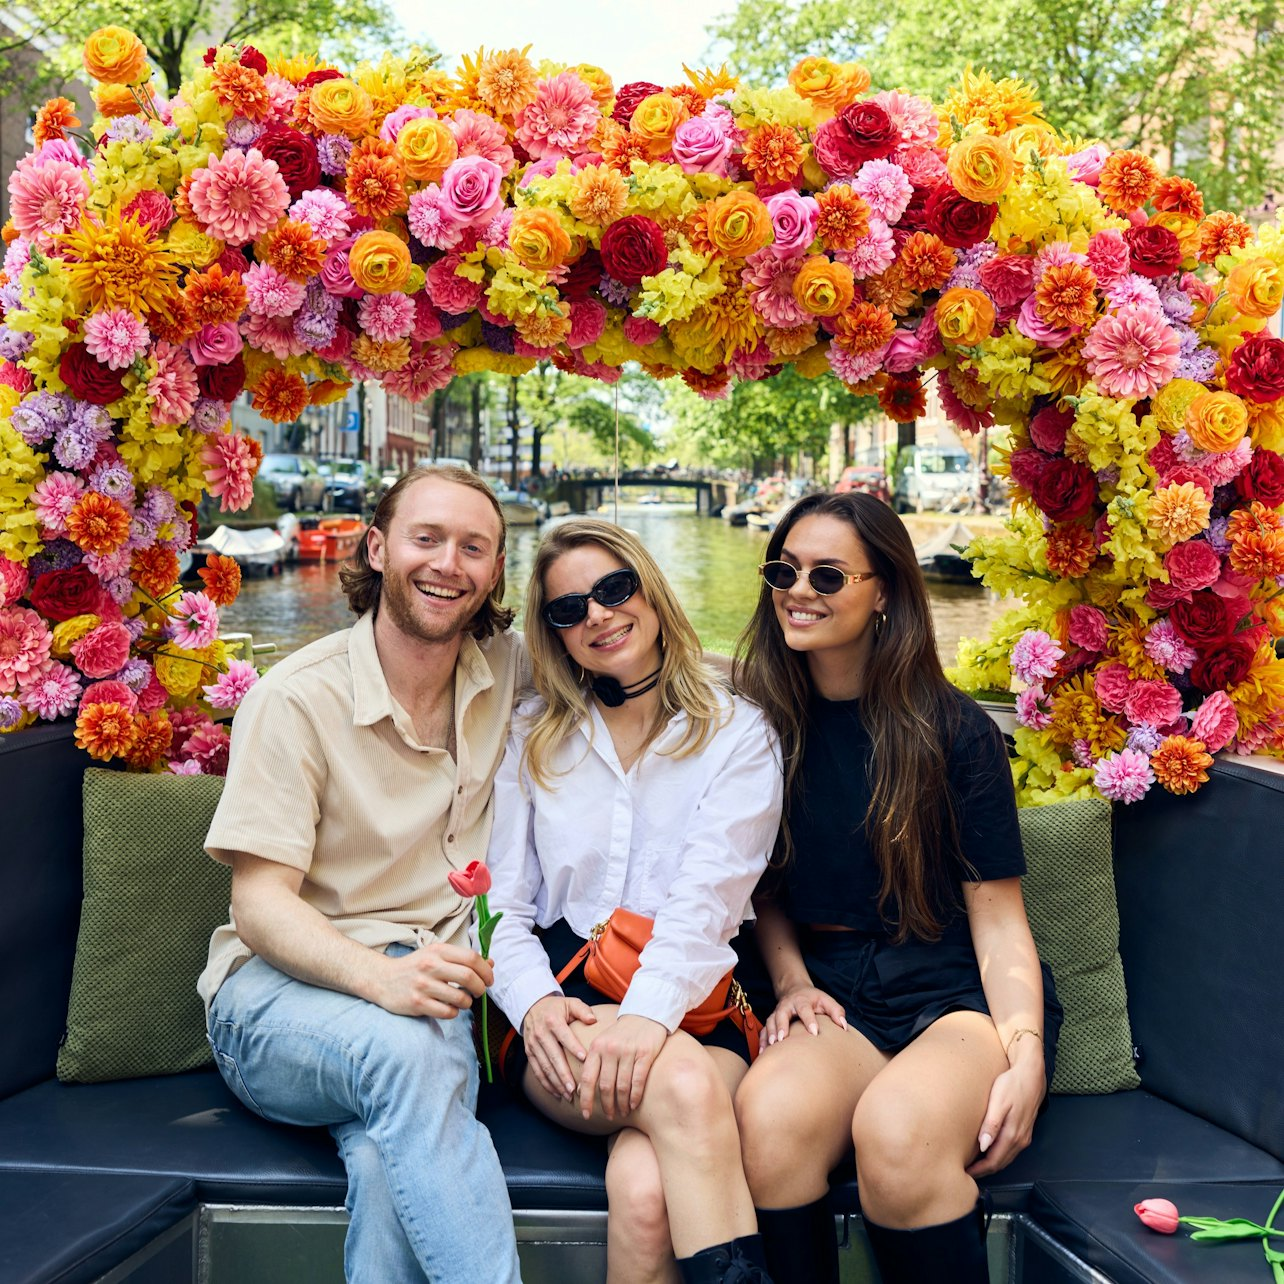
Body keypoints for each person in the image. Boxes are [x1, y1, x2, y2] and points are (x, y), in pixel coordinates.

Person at [198, 466, 527, 1284]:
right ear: (377, 548)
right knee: (413, 1055)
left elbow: (652, 666)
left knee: (390, 1164)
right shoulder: (294, 700)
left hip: (430, 1003)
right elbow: (260, 903)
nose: (448, 563)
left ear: (493, 571)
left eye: (473, 547)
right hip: (276, 1002)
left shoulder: (513, 675)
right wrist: (381, 983)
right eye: (427, 538)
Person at [730, 491, 1063, 1284]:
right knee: (769, 1122)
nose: (798, 589)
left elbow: (998, 921)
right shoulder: (756, 726)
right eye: (785, 569)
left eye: (828, 574)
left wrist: (1024, 1052)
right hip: (831, 990)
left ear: (884, 590)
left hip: (952, 993)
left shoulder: (955, 732)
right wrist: (792, 982)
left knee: (899, 1132)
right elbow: (758, 888)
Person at [485, 519, 783, 1284]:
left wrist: (649, 1017)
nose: (598, 615)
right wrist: (536, 1007)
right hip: (564, 1005)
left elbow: (707, 905)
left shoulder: (737, 733)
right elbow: (502, 911)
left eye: (615, 589)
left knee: (646, 1187)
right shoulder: (530, 736)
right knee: (680, 1086)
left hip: (700, 1000)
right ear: (553, 634)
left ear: (650, 592)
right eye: (568, 608)